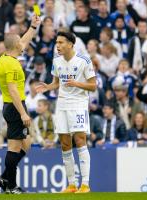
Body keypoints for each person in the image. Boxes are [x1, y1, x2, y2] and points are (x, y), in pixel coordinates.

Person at [36, 31, 97, 193]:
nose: (58, 46)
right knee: (64, 143)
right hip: (61, 104)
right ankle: (71, 184)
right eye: (57, 42)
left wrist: (77, 83)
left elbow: (93, 85)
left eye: (61, 42)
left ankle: (85, 184)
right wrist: (48, 87)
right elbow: (57, 82)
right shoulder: (56, 61)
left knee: (80, 140)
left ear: (70, 44)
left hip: (78, 104)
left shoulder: (84, 60)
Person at [0, 14, 41, 194]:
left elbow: (23, 40)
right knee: (14, 147)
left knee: (26, 144)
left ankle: (5, 177)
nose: (23, 44)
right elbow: (13, 90)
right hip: (15, 107)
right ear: (16, 47)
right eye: (20, 43)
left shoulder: (5, 58)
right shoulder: (12, 65)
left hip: (11, 105)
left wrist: (33, 27)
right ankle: (11, 186)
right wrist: (23, 112)